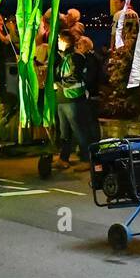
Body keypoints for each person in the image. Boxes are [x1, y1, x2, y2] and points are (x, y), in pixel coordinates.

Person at [52, 29, 95, 171]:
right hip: (62, 98)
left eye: (59, 40)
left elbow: (73, 76)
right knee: (64, 131)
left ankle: (86, 159)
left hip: (72, 98)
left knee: (78, 130)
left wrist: (60, 82)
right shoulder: (63, 57)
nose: (58, 42)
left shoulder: (75, 57)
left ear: (66, 42)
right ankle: (63, 158)